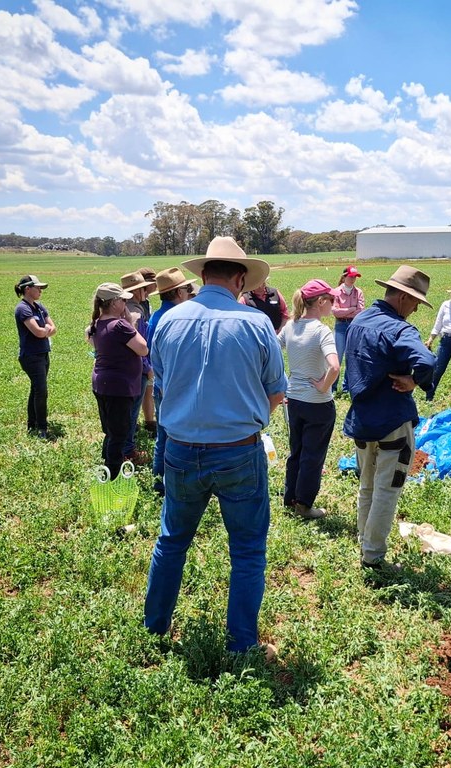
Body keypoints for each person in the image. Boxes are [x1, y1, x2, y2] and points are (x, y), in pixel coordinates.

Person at [144, 236, 287, 656]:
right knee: (246, 549)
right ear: (239, 279)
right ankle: (241, 643)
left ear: (203, 274)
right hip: (239, 449)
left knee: (171, 540)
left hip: (181, 448)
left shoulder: (169, 320)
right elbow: (276, 392)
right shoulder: (256, 322)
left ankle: (154, 629)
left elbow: (163, 385)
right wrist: (252, 417)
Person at [343, 265, 436, 570]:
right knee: (387, 489)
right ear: (402, 298)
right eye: (414, 303)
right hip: (393, 421)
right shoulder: (400, 328)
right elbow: (425, 359)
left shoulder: (359, 320)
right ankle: (373, 555)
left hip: (362, 418)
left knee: (366, 485)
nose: (414, 310)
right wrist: (414, 381)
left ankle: (364, 539)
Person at [278, 279, 340, 519]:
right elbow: (334, 366)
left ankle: (289, 498)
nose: (334, 305)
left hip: (294, 400)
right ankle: (304, 505)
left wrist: (283, 380)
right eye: (332, 300)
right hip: (318, 404)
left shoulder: (291, 326)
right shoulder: (322, 331)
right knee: (313, 456)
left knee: (297, 451)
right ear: (321, 301)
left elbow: (273, 349)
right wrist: (324, 385)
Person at [87, 283, 149, 480]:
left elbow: (90, 338)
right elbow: (143, 349)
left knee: (110, 430)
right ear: (114, 303)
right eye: (123, 300)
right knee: (120, 432)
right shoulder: (120, 326)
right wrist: (130, 321)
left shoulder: (97, 324)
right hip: (119, 387)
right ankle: (112, 474)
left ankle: (107, 463)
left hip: (101, 383)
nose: (126, 303)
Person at [147, 267, 196, 496]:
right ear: (178, 293)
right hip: (178, 388)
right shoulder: (178, 318)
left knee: (163, 436)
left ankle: (159, 483)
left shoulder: (156, 317)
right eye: (186, 288)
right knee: (179, 437)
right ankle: (178, 484)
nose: (189, 292)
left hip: (161, 385)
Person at [14, 275, 57, 439]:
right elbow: (38, 332)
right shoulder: (23, 309)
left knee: (36, 389)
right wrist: (45, 330)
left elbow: (54, 328)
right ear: (27, 289)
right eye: (37, 287)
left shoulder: (38, 307)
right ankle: (42, 428)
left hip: (43, 354)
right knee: (41, 391)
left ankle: (32, 424)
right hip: (31, 357)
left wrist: (45, 330)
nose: (40, 290)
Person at [120, 271, 156, 465]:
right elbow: (137, 344)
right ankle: (128, 451)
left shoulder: (128, 308)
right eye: (144, 288)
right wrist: (147, 367)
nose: (147, 290)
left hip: (128, 368)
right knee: (132, 411)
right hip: (137, 369)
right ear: (136, 291)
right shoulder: (135, 312)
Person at [331, 265, 365, 392]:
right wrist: (352, 310)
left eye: (355, 277)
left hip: (353, 326)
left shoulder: (359, 292)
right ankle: (333, 387)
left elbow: (361, 311)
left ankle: (347, 387)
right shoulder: (336, 292)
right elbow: (335, 312)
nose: (353, 279)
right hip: (340, 326)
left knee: (351, 357)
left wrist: (344, 311)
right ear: (345, 276)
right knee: (337, 358)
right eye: (351, 277)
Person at [138, 267, 158, 434]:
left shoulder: (145, 301)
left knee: (148, 387)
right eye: (154, 282)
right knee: (141, 387)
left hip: (145, 351)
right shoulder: (135, 305)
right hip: (139, 353)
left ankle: (149, 420)